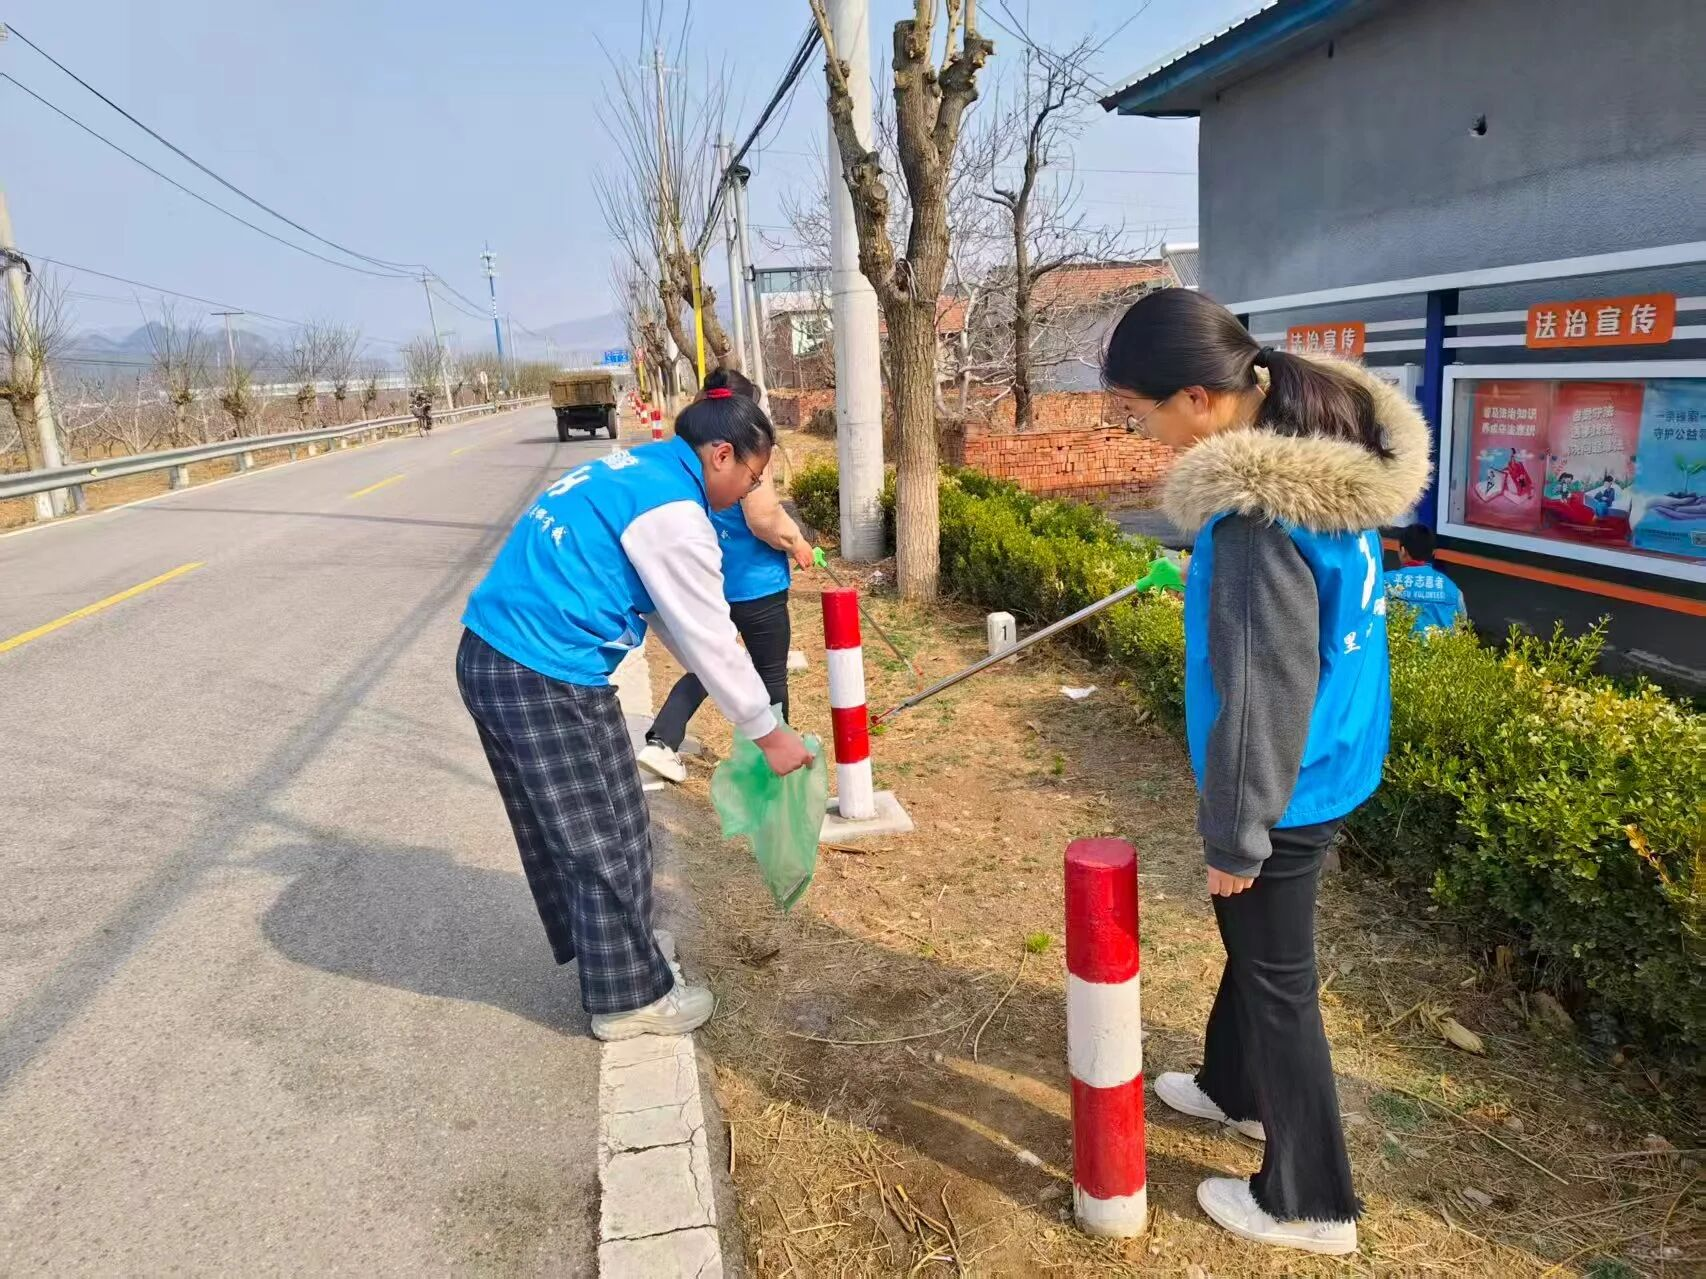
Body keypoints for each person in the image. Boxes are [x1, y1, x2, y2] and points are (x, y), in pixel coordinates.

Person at [1102, 288, 1429, 1256]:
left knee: (1279, 980)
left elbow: (1260, 698)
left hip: (1285, 786)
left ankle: (1309, 1201)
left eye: (1139, 411)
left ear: (1198, 400)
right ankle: (1232, 1088)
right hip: (1332, 757)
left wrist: (1237, 832)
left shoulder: (1254, 521)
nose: (1141, 432)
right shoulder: (1322, 457)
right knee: (1257, 950)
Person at [455, 392, 814, 1042]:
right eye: (753, 475)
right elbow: (707, 634)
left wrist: (745, 705)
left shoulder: (643, 470)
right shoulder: (675, 515)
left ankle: (625, 953)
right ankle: (629, 1001)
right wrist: (769, 734)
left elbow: (672, 619)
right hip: (539, 670)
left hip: (515, 657)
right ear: (722, 454)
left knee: (614, 820)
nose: (752, 490)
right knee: (601, 836)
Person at [636, 368, 816, 784]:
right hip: (756, 583)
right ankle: (773, 761)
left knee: (708, 662)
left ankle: (662, 740)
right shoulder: (743, 451)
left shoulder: (689, 459)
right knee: (769, 673)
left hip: (712, 581)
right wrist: (796, 543)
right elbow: (763, 517)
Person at [1383, 524, 1467, 634]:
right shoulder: (1451, 588)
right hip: (1441, 645)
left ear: (1403, 551)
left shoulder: (1384, 582)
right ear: (1433, 552)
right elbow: (1461, 624)